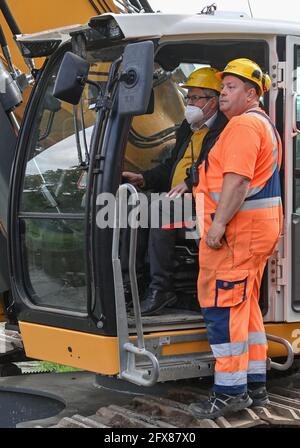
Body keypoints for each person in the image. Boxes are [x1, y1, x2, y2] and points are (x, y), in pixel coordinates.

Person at [189, 58, 283, 419]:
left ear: (251, 93)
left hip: (236, 234)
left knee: (223, 308)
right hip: (254, 231)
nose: (222, 92)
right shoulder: (261, 124)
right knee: (244, 310)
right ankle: (255, 386)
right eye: (223, 86)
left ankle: (229, 392)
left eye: (230, 87)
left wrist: (217, 226)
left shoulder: (243, 126)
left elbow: (237, 181)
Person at [122, 67, 228, 315]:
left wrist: (191, 183)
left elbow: (218, 168)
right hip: (178, 200)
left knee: (161, 209)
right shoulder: (188, 128)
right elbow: (172, 165)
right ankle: (132, 283)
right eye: (188, 97)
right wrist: (143, 178)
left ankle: (161, 288)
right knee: (133, 203)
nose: (189, 103)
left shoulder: (225, 130)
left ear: (213, 101)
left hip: (204, 201)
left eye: (195, 98)